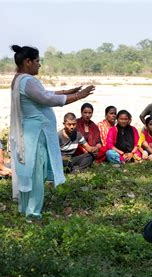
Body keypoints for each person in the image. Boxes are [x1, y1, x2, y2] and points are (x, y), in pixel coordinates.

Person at [9, 45, 95, 218]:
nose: (39, 65)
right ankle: (33, 213)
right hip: (36, 135)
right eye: (37, 61)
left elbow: (42, 93)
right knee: (35, 173)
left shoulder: (18, 79)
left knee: (29, 172)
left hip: (31, 133)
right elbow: (46, 98)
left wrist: (67, 91)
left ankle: (26, 209)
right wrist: (79, 96)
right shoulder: (28, 80)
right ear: (28, 62)